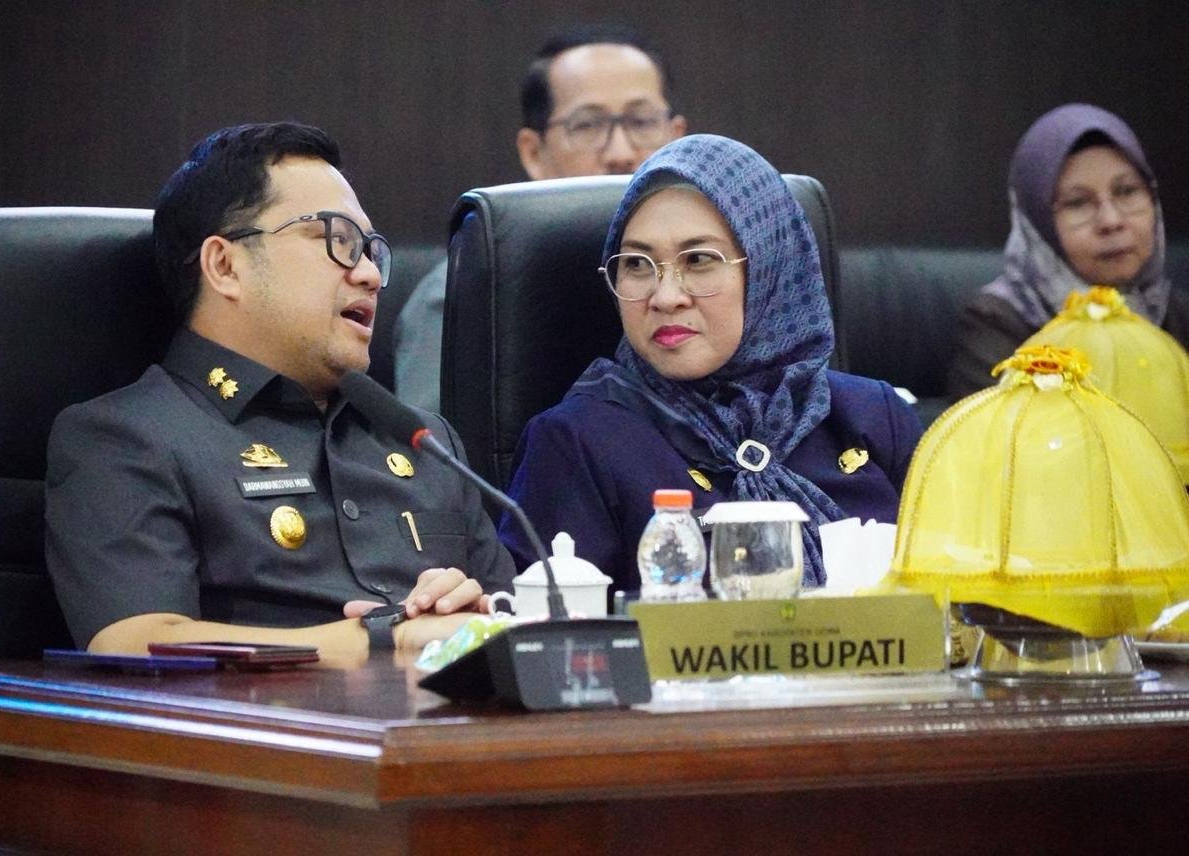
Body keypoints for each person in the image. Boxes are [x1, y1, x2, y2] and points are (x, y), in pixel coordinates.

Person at [45, 122, 514, 659]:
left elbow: (516, 622)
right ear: (225, 266)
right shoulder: (124, 438)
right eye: (337, 240)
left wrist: (475, 616)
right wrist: (385, 640)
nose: (369, 275)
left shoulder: (425, 442)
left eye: (369, 250)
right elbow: (134, 642)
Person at [498, 134, 922, 593]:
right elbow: (552, 628)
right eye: (637, 264)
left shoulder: (873, 417)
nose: (665, 297)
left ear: (768, 269)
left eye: (699, 260)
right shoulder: (577, 442)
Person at [393, 23, 686, 412]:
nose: (621, 153)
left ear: (677, 138)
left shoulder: (714, 276)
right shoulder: (468, 292)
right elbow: (434, 445)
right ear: (533, 152)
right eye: (588, 125)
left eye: (641, 122)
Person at [948, 103, 1189, 398]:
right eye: (1078, 203)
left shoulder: (1175, 313)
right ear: (1038, 226)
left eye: (1127, 191)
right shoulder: (996, 323)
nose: (1111, 221)